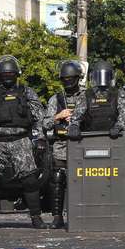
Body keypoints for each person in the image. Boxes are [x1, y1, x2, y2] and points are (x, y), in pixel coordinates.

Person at [0, 55, 48, 230]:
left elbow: (40, 117)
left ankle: (36, 217)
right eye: (4, 75)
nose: (7, 77)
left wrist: (39, 137)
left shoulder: (27, 92)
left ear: (17, 74)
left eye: (11, 74)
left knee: (30, 180)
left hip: (21, 141)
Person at [43, 60, 85, 229]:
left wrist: (77, 116)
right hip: (61, 146)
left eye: (71, 78)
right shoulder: (56, 98)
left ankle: (82, 215)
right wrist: (58, 116)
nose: (68, 82)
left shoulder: (85, 96)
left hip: (82, 144)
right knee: (58, 179)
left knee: (83, 179)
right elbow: (45, 123)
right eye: (65, 79)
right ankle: (57, 216)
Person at [67, 60, 125, 139]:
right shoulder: (86, 95)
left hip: (114, 137)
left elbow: (124, 115)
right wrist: (74, 126)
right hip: (91, 137)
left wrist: (118, 126)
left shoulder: (120, 94)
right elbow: (77, 115)